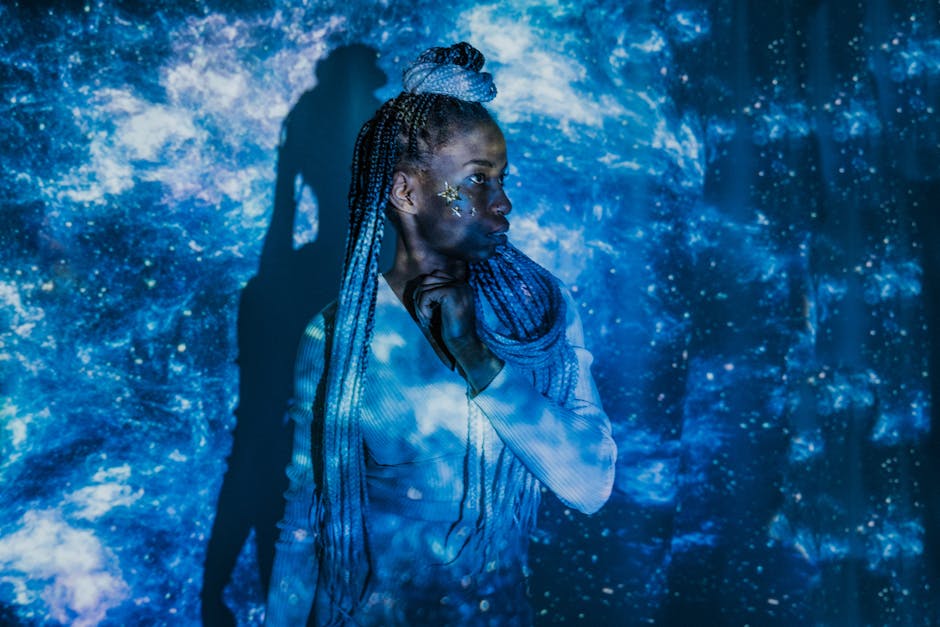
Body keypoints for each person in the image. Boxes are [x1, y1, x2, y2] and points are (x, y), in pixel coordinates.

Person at [265, 42, 616, 626]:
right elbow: (306, 521)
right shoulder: (338, 339)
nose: (502, 203)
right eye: (478, 181)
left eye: (502, 180)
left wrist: (479, 360)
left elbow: (590, 484)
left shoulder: (539, 314)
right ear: (406, 192)